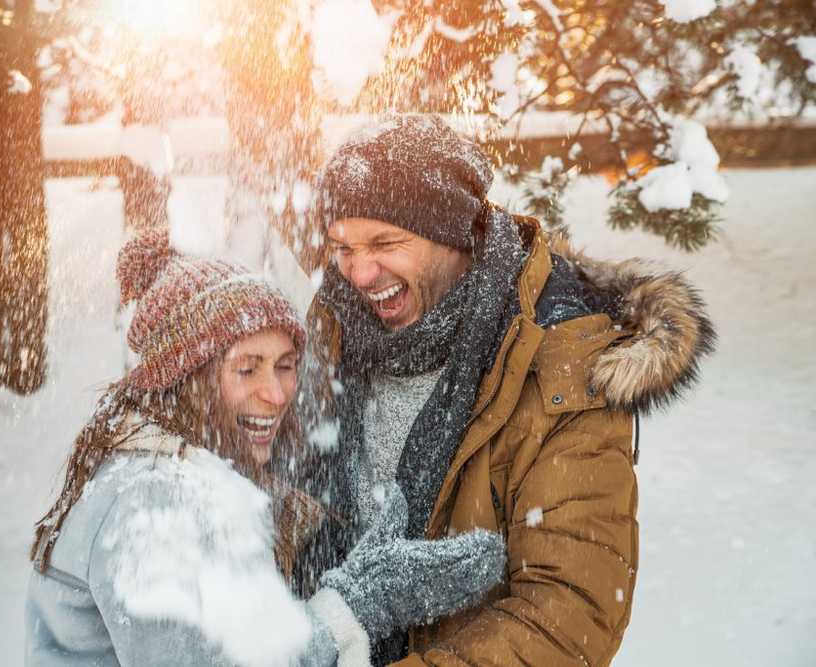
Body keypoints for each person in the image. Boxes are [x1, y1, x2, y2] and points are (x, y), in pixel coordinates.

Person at [303, 114, 716, 666]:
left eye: (384, 242)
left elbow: (569, 612)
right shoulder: (334, 327)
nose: (357, 272)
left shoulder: (563, 365)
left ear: (452, 236)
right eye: (342, 246)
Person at [24, 229, 508, 667]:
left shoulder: (173, 473)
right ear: (186, 380)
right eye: (246, 368)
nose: (276, 395)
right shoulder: (152, 501)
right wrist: (356, 604)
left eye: (284, 365)